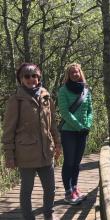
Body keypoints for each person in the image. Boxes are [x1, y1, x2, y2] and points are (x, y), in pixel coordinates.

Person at [1, 63, 61, 220]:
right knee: (26, 190)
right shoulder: (16, 100)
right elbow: (8, 131)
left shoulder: (46, 96)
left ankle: (49, 215)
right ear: (21, 79)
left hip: (46, 151)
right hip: (25, 153)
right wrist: (9, 156)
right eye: (26, 76)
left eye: (34, 75)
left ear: (39, 77)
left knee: (50, 189)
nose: (31, 79)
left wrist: (57, 144)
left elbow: (52, 123)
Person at [58, 63, 93, 205]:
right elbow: (64, 112)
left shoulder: (85, 90)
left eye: (77, 72)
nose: (75, 74)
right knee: (69, 162)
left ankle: (75, 188)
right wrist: (79, 126)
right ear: (68, 74)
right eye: (72, 72)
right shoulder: (63, 90)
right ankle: (68, 192)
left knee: (77, 163)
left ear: (80, 73)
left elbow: (90, 110)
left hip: (83, 131)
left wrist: (88, 124)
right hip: (69, 131)